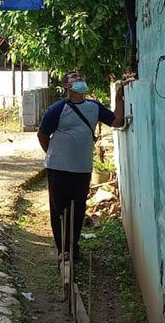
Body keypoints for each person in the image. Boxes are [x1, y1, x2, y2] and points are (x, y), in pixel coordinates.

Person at [37, 71, 124, 260]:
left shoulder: (94, 107)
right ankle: (62, 250)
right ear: (67, 86)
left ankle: (73, 248)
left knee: (78, 210)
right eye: (75, 78)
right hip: (58, 169)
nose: (80, 80)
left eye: (81, 77)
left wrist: (119, 99)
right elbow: (42, 135)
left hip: (82, 168)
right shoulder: (57, 109)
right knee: (59, 209)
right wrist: (54, 155)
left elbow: (117, 121)